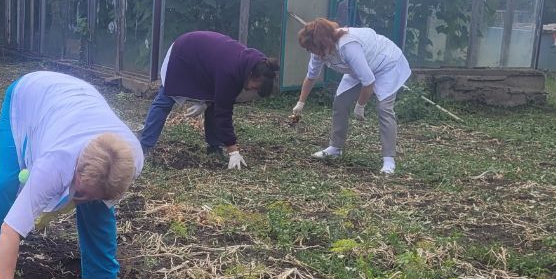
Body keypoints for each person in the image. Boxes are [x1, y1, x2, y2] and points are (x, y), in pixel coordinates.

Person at [0, 71, 144, 279]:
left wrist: (80, 200)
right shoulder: (55, 163)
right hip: (29, 99)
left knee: (98, 207)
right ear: (76, 170)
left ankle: (102, 277)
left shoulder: (130, 159)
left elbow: (99, 196)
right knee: (4, 186)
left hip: (75, 100)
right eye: (82, 189)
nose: (83, 198)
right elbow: (11, 231)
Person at [137, 31, 279, 169]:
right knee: (166, 99)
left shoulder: (255, 64)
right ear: (253, 76)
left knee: (214, 105)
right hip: (182, 54)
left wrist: (206, 103)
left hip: (202, 58)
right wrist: (233, 150)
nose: (253, 90)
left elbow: (219, 96)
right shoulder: (231, 71)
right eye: (256, 87)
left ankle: (214, 146)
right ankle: (144, 146)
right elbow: (224, 112)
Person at [290, 18, 411, 175]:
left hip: (386, 64)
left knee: (384, 109)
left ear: (323, 42)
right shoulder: (318, 51)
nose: (311, 52)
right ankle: (335, 147)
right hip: (359, 67)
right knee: (340, 102)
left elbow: (368, 82)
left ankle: (389, 160)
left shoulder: (348, 46)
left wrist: (360, 106)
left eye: (311, 48)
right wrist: (301, 102)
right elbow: (311, 76)